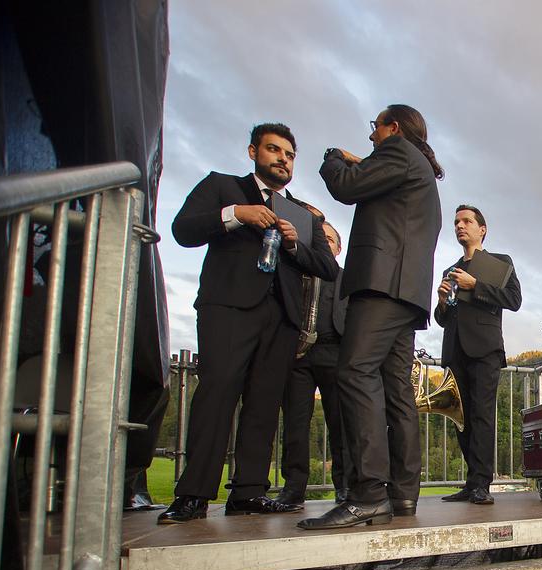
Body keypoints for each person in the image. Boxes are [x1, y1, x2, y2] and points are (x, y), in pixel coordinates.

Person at [159, 122, 338, 524]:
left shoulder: (304, 214)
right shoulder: (222, 187)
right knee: (217, 394)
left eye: (290, 155)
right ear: (253, 151)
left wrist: (293, 243)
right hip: (230, 307)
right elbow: (182, 230)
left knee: (263, 404)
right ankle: (193, 494)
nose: (282, 159)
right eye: (274, 150)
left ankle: (249, 492)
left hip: (282, 318)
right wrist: (236, 214)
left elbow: (327, 266)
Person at [300, 105, 442, 529]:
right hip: (405, 292)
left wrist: (333, 156)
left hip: (382, 285)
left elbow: (345, 186)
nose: (371, 137)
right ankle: (402, 494)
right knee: (396, 389)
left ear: (394, 128)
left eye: (375, 128)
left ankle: (367, 494)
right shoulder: (414, 164)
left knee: (355, 372)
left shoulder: (397, 151)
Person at [435, 205, 522, 505]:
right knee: (462, 418)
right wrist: (442, 301)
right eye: (457, 221)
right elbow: (442, 319)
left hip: (485, 350)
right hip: (455, 350)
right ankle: (472, 482)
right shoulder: (451, 269)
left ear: (482, 229)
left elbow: (514, 300)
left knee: (483, 416)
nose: (460, 225)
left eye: (467, 221)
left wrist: (477, 286)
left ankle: (483, 484)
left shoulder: (500, 262)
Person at [275, 217, 354, 505]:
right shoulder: (297, 274)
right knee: (295, 423)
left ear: (338, 248)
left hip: (336, 354)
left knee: (341, 425)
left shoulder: (349, 278)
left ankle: (344, 486)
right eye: (319, 239)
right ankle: (293, 487)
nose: (324, 244)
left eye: (329, 240)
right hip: (300, 355)